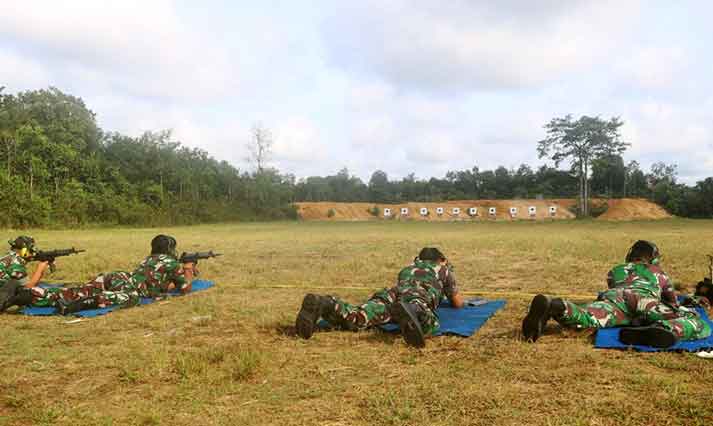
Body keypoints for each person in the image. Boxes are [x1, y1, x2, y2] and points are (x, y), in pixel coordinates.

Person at [522, 240, 711, 348]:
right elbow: (671, 302)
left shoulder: (616, 270)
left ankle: (555, 305)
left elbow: (615, 286)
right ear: (654, 258)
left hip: (616, 298)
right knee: (695, 321)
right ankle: (663, 330)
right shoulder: (658, 272)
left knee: (588, 317)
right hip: (645, 301)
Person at [295, 247, 464, 348]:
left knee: (359, 316)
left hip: (391, 294)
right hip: (416, 295)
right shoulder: (444, 270)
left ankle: (325, 304)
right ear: (441, 259)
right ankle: (414, 311)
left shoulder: (408, 268)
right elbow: (457, 303)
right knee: (428, 322)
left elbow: (405, 285)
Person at [3, 235, 196, 314]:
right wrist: (188, 270)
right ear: (170, 249)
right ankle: (73, 306)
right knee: (130, 298)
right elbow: (185, 289)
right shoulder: (171, 263)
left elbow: (160, 284)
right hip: (130, 288)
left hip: (117, 277)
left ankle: (33, 295)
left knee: (79, 289)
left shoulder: (149, 259)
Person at [0, 236, 51, 311]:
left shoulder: (8, 258)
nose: (33, 253)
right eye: (30, 250)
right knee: (27, 294)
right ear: (24, 251)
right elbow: (29, 286)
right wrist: (40, 268)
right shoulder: (16, 265)